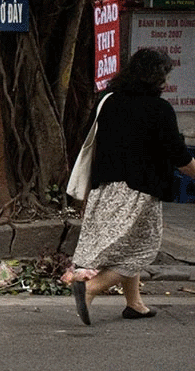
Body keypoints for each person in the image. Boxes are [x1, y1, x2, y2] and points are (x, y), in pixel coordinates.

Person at [66, 48, 195, 325]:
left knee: (130, 245)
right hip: (139, 190)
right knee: (142, 250)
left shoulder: (108, 101)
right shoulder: (158, 109)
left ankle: (134, 304)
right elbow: (179, 155)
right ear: (156, 77)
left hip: (104, 189)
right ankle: (91, 288)